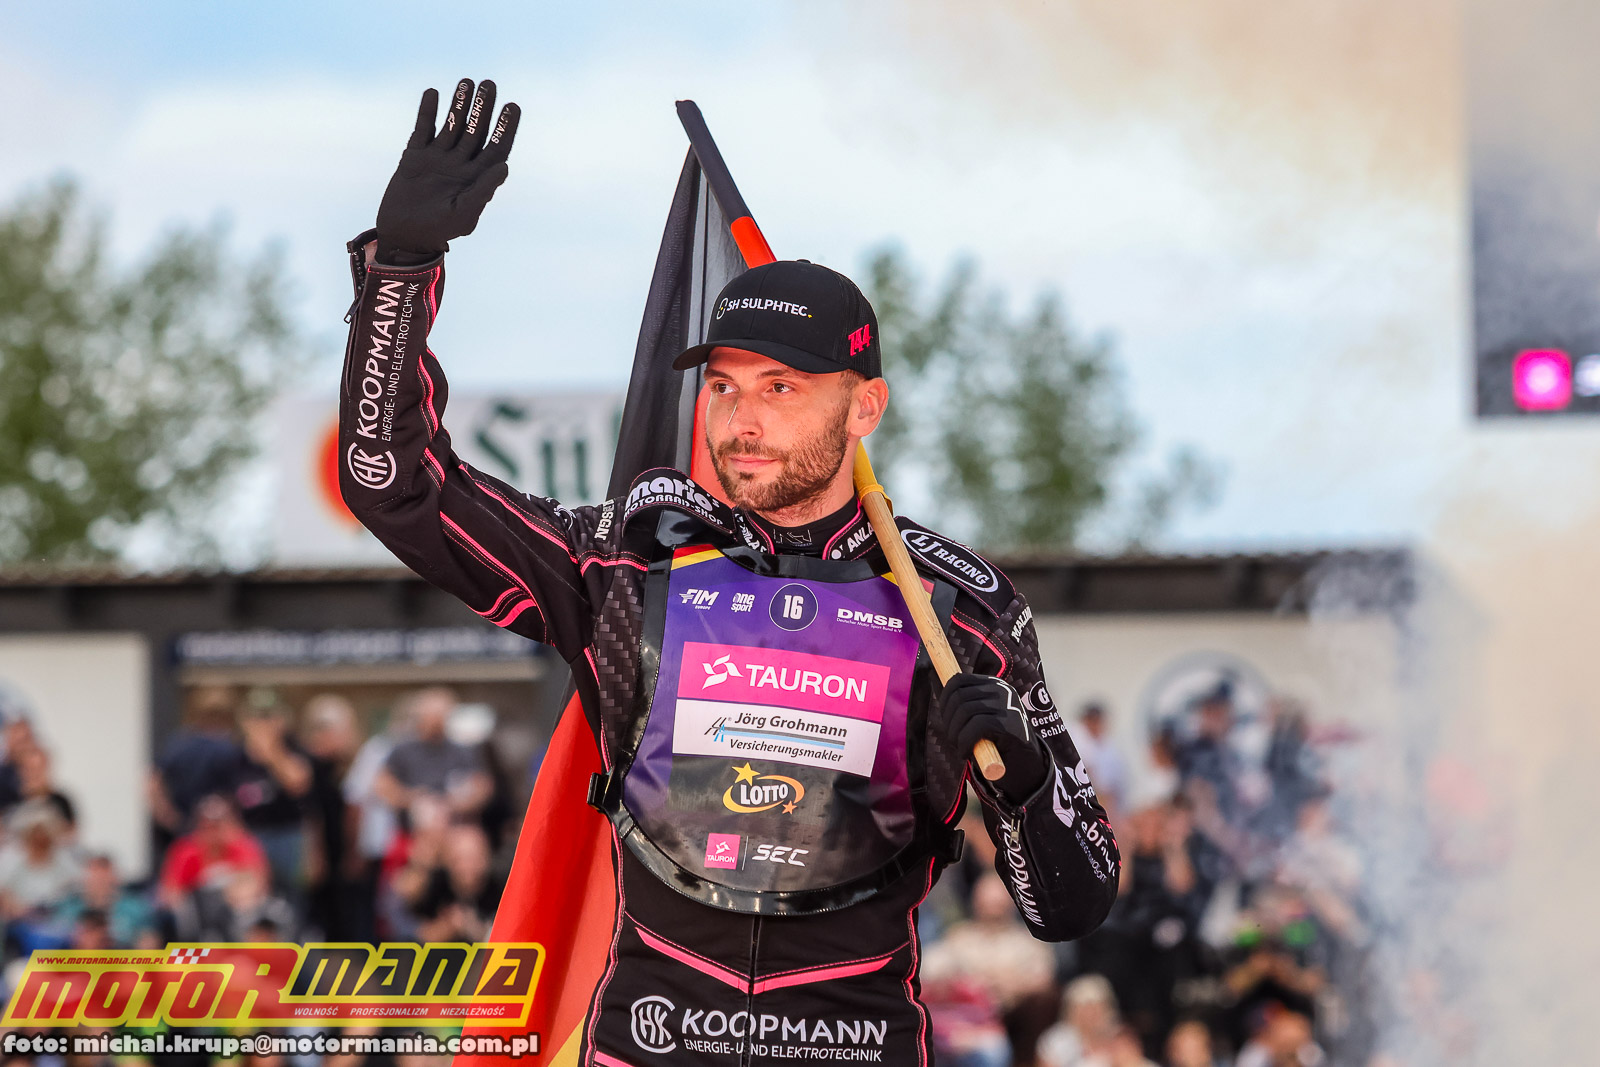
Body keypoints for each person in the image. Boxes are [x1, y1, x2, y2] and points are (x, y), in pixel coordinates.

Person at [338, 77, 1120, 1064]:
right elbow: (393, 482)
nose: (741, 420)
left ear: (864, 407)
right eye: (722, 385)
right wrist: (402, 271)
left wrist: (1027, 783)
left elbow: (1072, 901)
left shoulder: (959, 610)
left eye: (780, 388)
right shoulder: (628, 563)